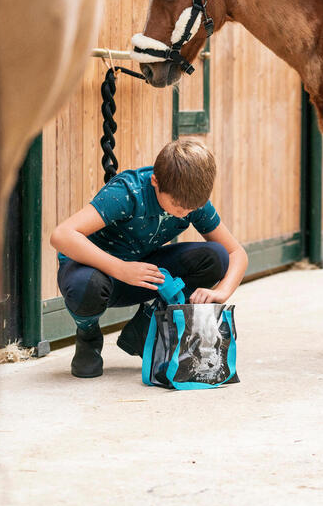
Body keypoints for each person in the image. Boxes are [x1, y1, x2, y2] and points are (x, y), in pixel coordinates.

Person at [50, 139, 248, 378]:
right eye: (177, 205)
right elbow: (61, 235)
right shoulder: (127, 192)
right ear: (155, 181)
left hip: (142, 275)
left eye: (191, 207)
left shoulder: (191, 202)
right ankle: (88, 335)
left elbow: (236, 253)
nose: (184, 212)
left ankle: (146, 329)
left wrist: (222, 292)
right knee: (86, 286)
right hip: (96, 274)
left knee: (215, 256)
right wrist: (121, 269)